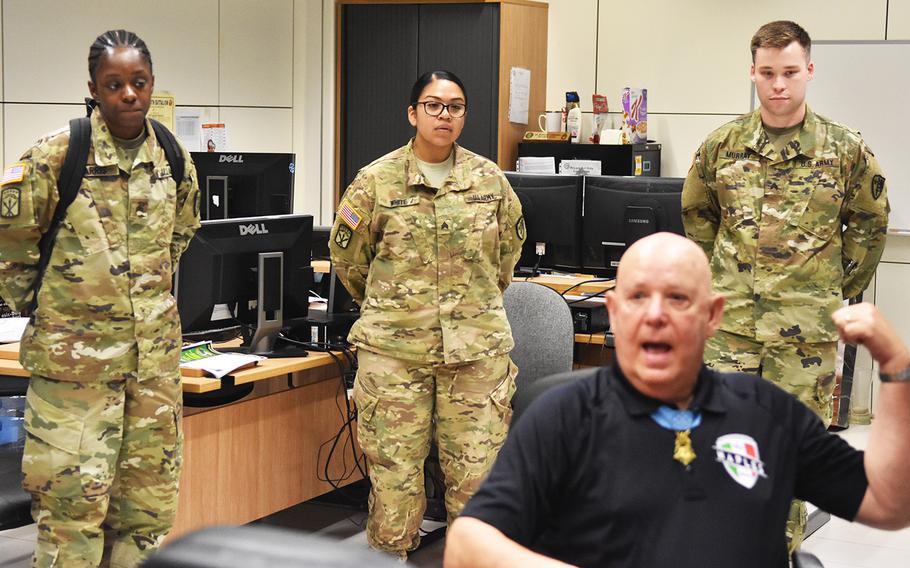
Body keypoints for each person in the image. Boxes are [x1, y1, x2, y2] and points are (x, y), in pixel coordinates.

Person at [444, 233, 910, 568]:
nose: (655, 316)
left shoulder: (767, 412)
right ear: (613, 313)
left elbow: (889, 505)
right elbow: (467, 544)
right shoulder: (563, 417)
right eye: (638, 297)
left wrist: (898, 367)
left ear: (712, 316)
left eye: (678, 299)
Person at [680, 20, 890, 548]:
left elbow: (870, 221)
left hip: (805, 334)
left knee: (791, 452)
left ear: (809, 72)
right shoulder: (721, 146)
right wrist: (715, 277)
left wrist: (836, 287)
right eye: (768, 73)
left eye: (790, 72)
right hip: (729, 332)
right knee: (721, 445)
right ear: (752, 72)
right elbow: (696, 212)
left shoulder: (844, 150)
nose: (779, 84)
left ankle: (782, 553)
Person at [0, 30, 200, 567]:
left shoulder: (175, 157)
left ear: (152, 85)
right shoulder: (55, 155)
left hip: (152, 375)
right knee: (71, 522)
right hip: (75, 381)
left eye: (139, 83)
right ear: (94, 88)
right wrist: (49, 312)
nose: (129, 94)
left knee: (147, 518)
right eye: (115, 84)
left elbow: (178, 238)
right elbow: (10, 247)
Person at [329, 69, 525, 558]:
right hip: (395, 355)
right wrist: (396, 311)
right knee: (394, 485)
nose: (445, 115)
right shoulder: (374, 182)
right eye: (434, 105)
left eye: (455, 106)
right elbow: (349, 262)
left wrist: (467, 307)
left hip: (476, 354)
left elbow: (507, 255)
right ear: (413, 113)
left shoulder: (490, 181)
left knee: (477, 486)